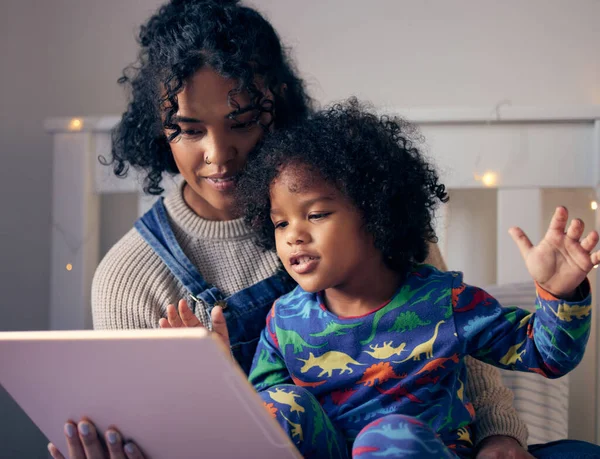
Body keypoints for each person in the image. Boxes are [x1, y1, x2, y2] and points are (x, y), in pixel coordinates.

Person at [46, 1, 600, 458]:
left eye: (240, 122)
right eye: (189, 130)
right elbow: (224, 418)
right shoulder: (136, 280)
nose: (218, 155)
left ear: (276, 105)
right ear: (159, 130)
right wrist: (209, 381)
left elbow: (466, 352)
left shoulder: (377, 221)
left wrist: (500, 436)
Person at [229, 99, 597, 458]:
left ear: (376, 215)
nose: (293, 234)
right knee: (277, 404)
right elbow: (260, 418)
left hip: (415, 448)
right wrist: (220, 372)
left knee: (393, 439)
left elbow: (545, 355)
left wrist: (559, 292)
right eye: (281, 223)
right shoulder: (285, 320)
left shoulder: (442, 300)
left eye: (317, 214)